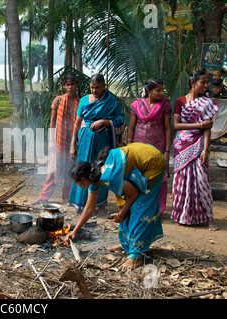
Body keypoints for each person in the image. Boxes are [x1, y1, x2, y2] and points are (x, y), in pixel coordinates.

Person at [65, 143, 165, 270]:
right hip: (140, 156)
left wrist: (121, 215)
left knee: (140, 206)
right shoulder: (94, 176)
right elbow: (89, 209)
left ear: (83, 180)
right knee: (125, 203)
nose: (78, 186)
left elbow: (133, 193)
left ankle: (137, 256)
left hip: (153, 161)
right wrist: (75, 231)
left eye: (77, 184)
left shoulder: (108, 177)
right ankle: (126, 244)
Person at [67, 73, 124, 216]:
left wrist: (105, 122)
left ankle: (101, 205)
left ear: (104, 86)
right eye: (92, 87)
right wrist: (73, 145)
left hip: (102, 143)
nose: (94, 90)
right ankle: (80, 203)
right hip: (85, 142)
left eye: (97, 87)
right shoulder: (84, 100)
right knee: (83, 170)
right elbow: (77, 123)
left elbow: (120, 119)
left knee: (101, 170)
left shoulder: (110, 101)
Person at [172, 69, 219, 231]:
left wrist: (206, 149)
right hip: (182, 145)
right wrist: (199, 125)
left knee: (201, 180)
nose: (206, 85)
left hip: (199, 144)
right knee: (182, 181)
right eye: (203, 82)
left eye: (207, 82)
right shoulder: (180, 101)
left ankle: (208, 217)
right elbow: (176, 125)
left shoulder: (207, 103)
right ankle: (182, 215)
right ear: (193, 83)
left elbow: (208, 129)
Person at [127, 78, 172, 215]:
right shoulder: (136, 105)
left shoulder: (164, 105)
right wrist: (129, 146)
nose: (161, 93)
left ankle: (158, 209)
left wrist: (167, 150)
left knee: (158, 176)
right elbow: (131, 127)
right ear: (148, 91)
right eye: (157, 90)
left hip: (158, 145)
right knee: (139, 175)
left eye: (161, 90)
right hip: (139, 145)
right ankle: (139, 206)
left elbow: (168, 129)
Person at [34, 73, 80, 204]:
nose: (70, 87)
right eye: (67, 84)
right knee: (53, 168)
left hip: (72, 141)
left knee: (71, 169)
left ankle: (67, 196)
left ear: (77, 85)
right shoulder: (58, 100)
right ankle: (44, 197)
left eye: (72, 84)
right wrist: (51, 139)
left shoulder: (80, 102)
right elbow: (53, 121)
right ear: (64, 86)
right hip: (58, 139)